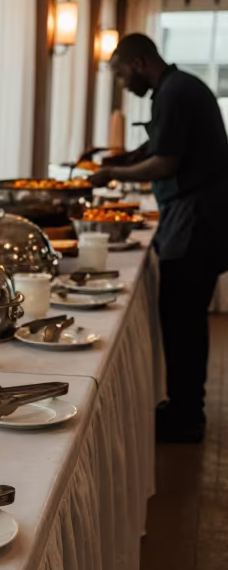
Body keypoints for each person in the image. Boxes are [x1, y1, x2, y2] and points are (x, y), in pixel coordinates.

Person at [89, 32, 228, 443]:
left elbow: (166, 162)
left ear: (137, 63)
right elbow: (159, 143)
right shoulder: (177, 86)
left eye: (120, 75)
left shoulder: (173, 92)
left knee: (182, 316)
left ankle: (188, 416)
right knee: (182, 315)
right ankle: (185, 406)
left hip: (197, 219)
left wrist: (111, 173)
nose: (123, 85)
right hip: (198, 215)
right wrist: (126, 157)